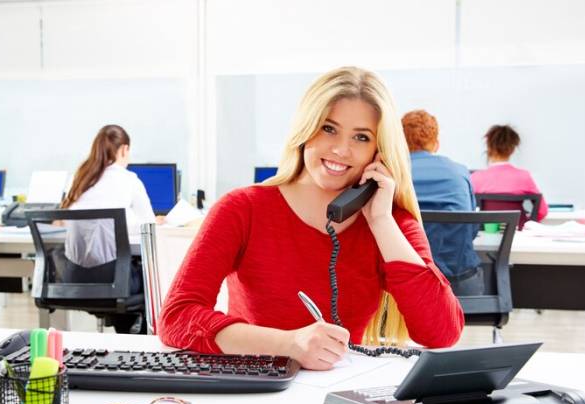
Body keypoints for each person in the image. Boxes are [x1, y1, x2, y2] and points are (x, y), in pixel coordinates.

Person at [159, 67, 463, 370]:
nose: (341, 149)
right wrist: (289, 344)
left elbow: (442, 333)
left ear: (378, 152)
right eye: (328, 128)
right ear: (306, 130)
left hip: (341, 397)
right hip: (254, 388)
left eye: (361, 137)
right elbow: (176, 318)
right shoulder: (242, 208)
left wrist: (381, 221)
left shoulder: (389, 221)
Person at [59, 124, 156, 333]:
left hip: (75, 280)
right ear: (124, 150)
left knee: (122, 268)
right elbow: (150, 226)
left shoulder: (80, 180)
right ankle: (140, 343)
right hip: (115, 282)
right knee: (153, 278)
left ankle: (124, 333)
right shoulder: (129, 180)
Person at [402, 110, 482, 296]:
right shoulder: (460, 172)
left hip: (408, 286)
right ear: (436, 144)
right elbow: (471, 230)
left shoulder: (392, 174)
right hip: (459, 285)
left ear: (400, 142)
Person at [470, 125, 549, 222]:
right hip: (518, 233)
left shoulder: (476, 178)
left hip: (486, 232)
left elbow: (467, 210)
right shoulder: (524, 177)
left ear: (489, 147)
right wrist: (525, 224)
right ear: (512, 149)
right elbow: (542, 211)